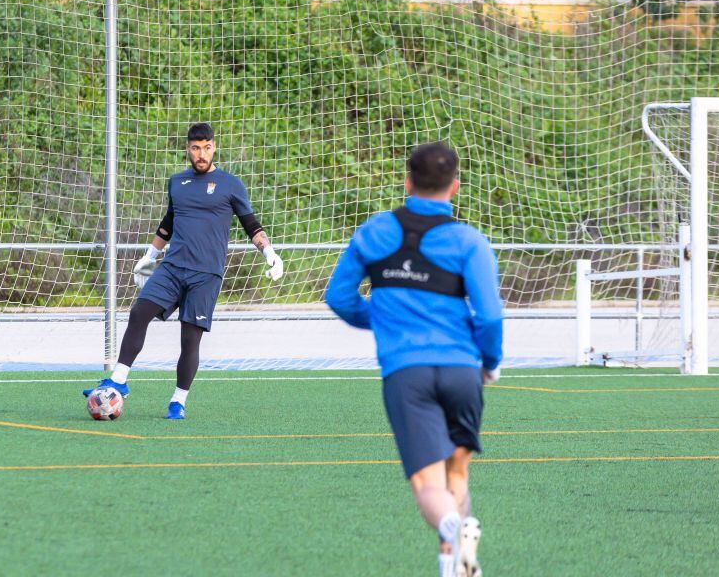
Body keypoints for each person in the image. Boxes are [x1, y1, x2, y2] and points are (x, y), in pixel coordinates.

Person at [325, 142, 503, 577]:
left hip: (408, 374)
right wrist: (491, 362)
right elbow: (490, 314)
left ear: (407, 182)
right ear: (455, 187)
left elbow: (338, 297)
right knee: (456, 473)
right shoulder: (469, 241)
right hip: (463, 372)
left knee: (428, 485)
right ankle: (451, 566)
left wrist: (382, 317)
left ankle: (455, 529)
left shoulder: (373, 232)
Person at [84, 122, 284, 419]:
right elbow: (168, 222)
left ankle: (178, 401)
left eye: (206, 148)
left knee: (190, 338)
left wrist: (269, 252)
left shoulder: (231, 184)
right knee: (140, 312)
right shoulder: (178, 182)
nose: (200, 154)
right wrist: (150, 255)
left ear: (214, 147)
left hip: (206, 274)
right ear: (188, 149)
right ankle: (119, 381)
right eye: (195, 148)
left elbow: (251, 225)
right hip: (173, 267)